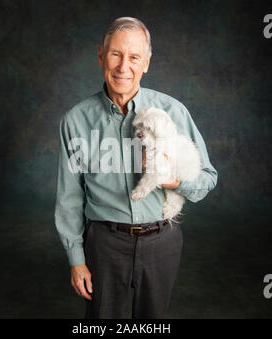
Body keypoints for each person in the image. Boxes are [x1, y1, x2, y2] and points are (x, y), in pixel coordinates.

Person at [54, 17, 218, 319]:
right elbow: (69, 198)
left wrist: (171, 181)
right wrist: (76, 260)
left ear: (146, 63)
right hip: (104, 245)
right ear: (101, 56)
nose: (123, 66)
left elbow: (207, 179)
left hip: (162, 243)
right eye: (115, 54)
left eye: (134, 57)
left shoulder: (173, 112)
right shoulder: (75, 121)